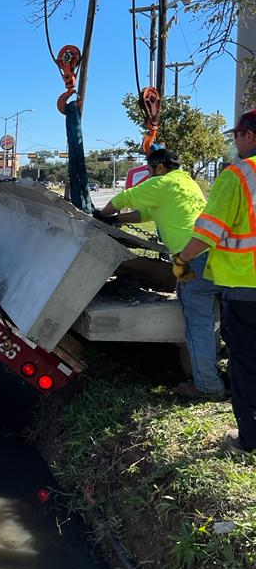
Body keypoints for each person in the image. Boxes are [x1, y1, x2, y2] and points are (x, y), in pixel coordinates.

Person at [95, 147, 226, 401]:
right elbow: (147, 213)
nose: (148, 173)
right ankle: (218, 370)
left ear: (160, 167)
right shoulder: (185, 182)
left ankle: (208, 386)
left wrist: (101, 216)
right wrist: (119, 221)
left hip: (191, 259)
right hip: (215, 255)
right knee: (218, 316)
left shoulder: (160, 183)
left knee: (198, 322)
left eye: (149, 168)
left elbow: (120, 200)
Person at [174, 109, 256, 453]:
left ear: (248, 135)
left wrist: (181, 259)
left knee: (246, 367)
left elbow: (208, 233)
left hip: (245, 289)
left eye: (236, 134)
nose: (235, 140)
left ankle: (248, 440)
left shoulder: (237, 176)